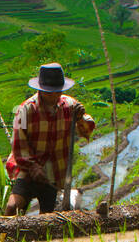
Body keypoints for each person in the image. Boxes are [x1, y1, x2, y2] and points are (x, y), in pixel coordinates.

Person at [5, 62, 96, 215]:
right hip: (28, 169)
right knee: (12, 207)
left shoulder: (70, 106)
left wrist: (81, 118)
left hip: (54, 172)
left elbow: (86, 130)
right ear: (40, 89)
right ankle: (4, 238)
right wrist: (33, 167)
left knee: (48, 217)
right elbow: (19, 146)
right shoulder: (25, 111)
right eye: (49, 93)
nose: (54, 96)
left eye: (57, 92)